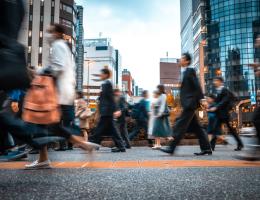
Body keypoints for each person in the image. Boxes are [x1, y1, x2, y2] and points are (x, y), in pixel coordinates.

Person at [25, 24, 99, 169]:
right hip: (62, 92)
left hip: (57, 93)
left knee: (43, 123)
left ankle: (46, 158)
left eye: (50, 31)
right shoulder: (63, 46)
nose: (47, 34)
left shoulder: (58, 45)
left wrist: (39, 73)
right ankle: (45, 158)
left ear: (58, 33)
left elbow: (58, 67)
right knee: (50, 125)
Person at [160, 53, 212, 156]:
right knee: (198, 128)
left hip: (190, 104)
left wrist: (202, 99)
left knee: (180, 126)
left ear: (187, 61)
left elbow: (197, 85)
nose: (180, 59)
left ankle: (171, 148)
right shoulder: (183, 73)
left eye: (182, 58)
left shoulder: (190, 71)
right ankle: (207, 148)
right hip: (188, 104)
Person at [89, 69, 126, 153]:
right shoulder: (105, 84)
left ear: (106, 74)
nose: (100, 75)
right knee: (111, 130)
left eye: (101, 74)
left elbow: (111, 98)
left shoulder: (107, 84)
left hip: (107, 111)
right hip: (107, 111)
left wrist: (117, 110)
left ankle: (93, 145)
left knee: (100, 129)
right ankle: (121, 146)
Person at [209, 77, 244, 151]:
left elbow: (224, 101)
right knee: (215, 130)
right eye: (214, 81)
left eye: (216, 81)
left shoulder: (225, 90)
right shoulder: (219, 91)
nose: (214, 82)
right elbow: (218, 102)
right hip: (219, 115)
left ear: (221, 82)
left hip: (224, 114)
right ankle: (211, 147)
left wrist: (216, 107)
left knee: (231, 130)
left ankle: (240, 144)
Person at [152, 85, 172, 149]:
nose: (157, 90)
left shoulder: (163, 96)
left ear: (160, 89)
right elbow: (158, 104)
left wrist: (160, 113)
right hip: (158, 114)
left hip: (160, 114)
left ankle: (168, 138)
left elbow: (162, 105)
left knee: (157, 129)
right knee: (157, 129)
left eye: (157, 88)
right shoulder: (160, 96)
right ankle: (158, 144)